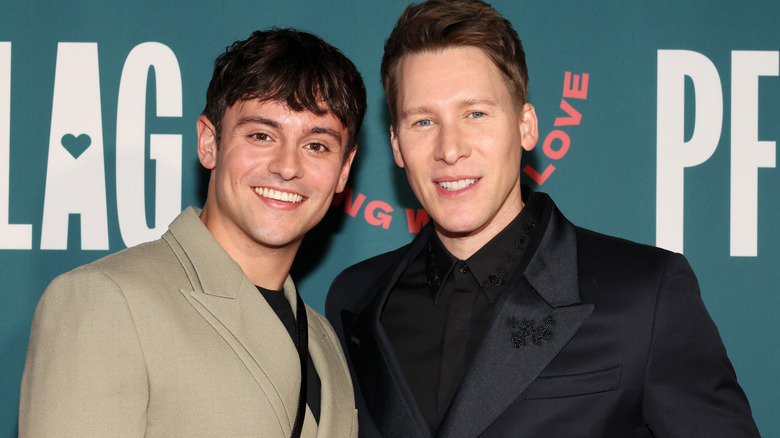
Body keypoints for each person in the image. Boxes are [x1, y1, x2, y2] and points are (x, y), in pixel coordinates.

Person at [326, 1, 760, 436]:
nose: (450, 149)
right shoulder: (356, 299)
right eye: (422, 122)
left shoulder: (646, 294)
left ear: (525, 126)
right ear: (397, 146)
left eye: (475, 114)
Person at [20, 28, 366, 437]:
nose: (287, 166)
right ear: (209, 143)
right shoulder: (106, 301)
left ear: (344, 170)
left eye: (316, 145)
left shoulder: (324, 339)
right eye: (261, 135)